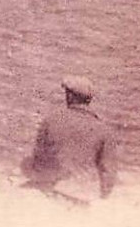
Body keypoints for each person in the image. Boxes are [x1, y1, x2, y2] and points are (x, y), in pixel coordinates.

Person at [22, 76, 118, 204]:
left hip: (53, 191)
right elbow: (108, 171)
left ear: (71, 97)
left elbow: (38, 159)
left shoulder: (51, 121)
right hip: (83, 194)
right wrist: (103, 198)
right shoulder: (104, 129)